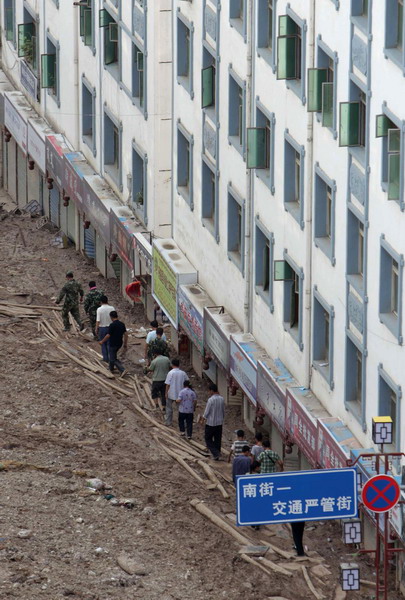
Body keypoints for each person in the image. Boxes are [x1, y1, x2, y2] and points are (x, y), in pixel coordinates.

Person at [99, 311, 128, 377]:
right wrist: (125, 344)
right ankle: (111, 368)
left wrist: (102, 341)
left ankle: (122, 369)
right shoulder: (122, 324)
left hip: (113, 343)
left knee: (112, 359)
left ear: (111, 317)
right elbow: (126, 334)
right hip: (119, 343)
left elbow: (108, 335)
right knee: (113, 356)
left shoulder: (112, 325)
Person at [203, 383, 225, 461]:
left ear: (212, 391)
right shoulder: (222, 399)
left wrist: (204, 417)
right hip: (219, 422)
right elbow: (223, 410)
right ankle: (217, 455)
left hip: (211, 423)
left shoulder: (211, 400)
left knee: (207, 438)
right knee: (217, 439)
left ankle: (216, 453)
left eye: (209, 391)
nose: (209, 392)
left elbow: (207, 411)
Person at [165, 358, 187, 427]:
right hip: (180, 394)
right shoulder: (183, 373)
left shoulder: (170, 373)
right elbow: (187, 382)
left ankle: (168, 422)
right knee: (181, 410)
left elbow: (168, 384)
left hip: (171, 393)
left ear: (172, 365)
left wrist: (166, 393)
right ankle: (183, 423)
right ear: (179, 365)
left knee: (169, 408)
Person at [95, 295, 115, 362]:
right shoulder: (112, 308)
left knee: (103, 343)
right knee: (110, 343)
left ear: (101, 302)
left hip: (102, 328)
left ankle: (105, 358)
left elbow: (98, 320)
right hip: (111, 327)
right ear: (107, 301)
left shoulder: (99, 309)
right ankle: (111, 358)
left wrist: (96, 328)